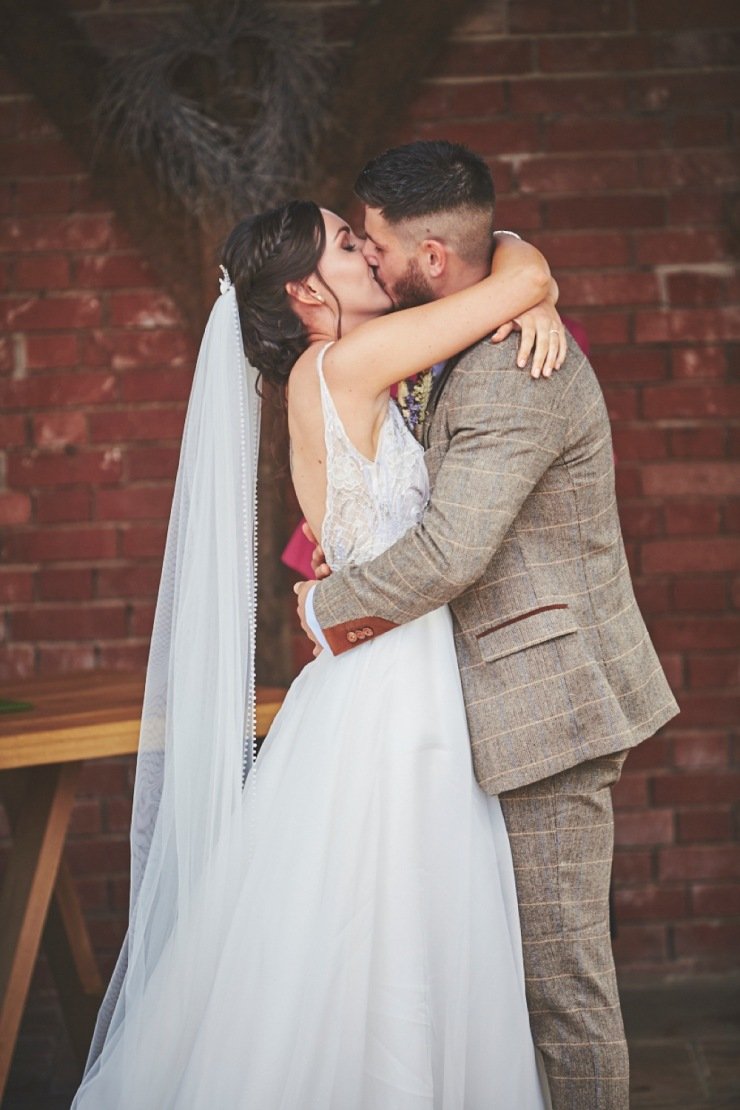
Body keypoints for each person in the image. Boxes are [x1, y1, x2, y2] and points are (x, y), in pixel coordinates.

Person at [71, 181, 565, 1107]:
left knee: (373, 928)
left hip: (385, 667)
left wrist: (530, 290)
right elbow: (514, 276)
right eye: (348, 246)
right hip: (393, 686)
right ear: (305, 291)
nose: (369, 255)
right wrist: (533, 283)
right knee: (395, 919)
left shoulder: (338, 368)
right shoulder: (343, 365)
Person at [297, 140, 680, 1110]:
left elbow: (447, 555)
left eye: (373, 246)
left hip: (543, 708)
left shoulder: (515, 369)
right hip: (464, 705)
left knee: (557, 989)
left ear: (429, 259)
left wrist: (319, 610)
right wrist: (523, 273)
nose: (370, 264)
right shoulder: (465, 328)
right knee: (487, 985)